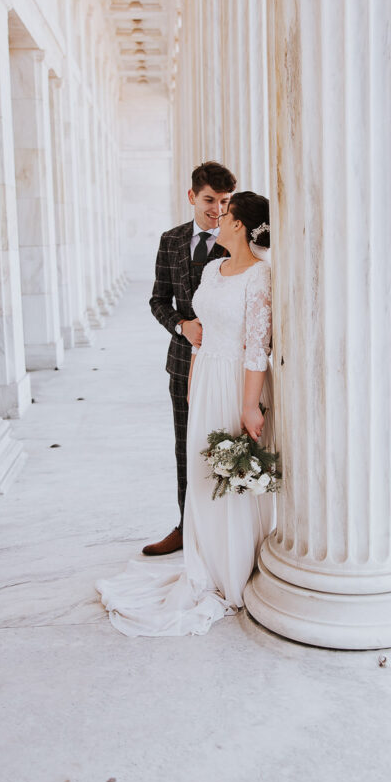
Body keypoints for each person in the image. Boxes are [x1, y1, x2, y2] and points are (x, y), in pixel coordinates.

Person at [96, 192, 274, 636]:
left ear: (238, 225)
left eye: (227, 212)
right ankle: (204, 562)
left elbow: (256, 346)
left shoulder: (261, 276)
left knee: (229, 474)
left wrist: (250, 405)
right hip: (206, 378)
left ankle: (233, 569)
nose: (219, 216)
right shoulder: (213, 270)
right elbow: (202, 331)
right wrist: (193, 382)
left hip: (236, 381)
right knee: (200, 471)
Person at [142, 161, 236, 556]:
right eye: (210, 200)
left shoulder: (241, 240)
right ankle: (186, 527)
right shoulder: (171, 240)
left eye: (225, 201)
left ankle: (226, 534)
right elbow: (158, 300)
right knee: (186, 446)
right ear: (192, 197)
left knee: (227, 446)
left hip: (226, 364)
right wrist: (182, 326)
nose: (217, 210)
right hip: (183, 364)